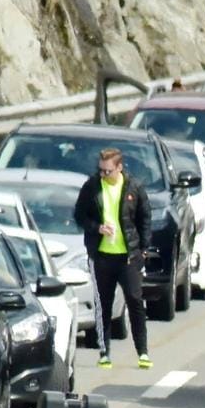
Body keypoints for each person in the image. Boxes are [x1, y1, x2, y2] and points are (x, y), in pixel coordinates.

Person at [72, 147, 152, 369]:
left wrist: (143, 249)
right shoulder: (92, 187)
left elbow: (145, 218)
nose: (103, 175)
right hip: (102, 256)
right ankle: (104, 352)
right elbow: (79, 215)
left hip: (129, 257)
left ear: (119, 167)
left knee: (135, 300)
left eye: (108, 171)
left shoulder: (134, 187)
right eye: (100, 171)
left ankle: (143, 352)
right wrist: (97, 228)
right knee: (103, 304)